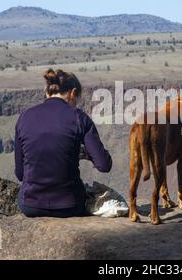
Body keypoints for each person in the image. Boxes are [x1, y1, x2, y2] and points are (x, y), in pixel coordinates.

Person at [14, 68, 112, 218]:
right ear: (72, 93)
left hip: (30, 205)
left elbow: (20, 174)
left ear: (47, 92)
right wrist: (86, 154)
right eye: (77, 100)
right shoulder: (79, 118)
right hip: (70, 205)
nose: (75, 105)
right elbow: (104, 165)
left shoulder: (25, 117)